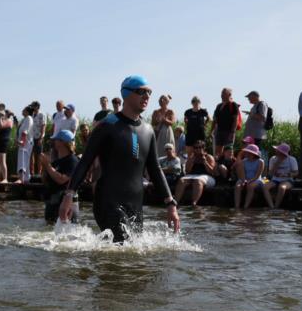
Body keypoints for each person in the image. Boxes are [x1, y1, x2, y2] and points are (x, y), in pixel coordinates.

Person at [59, 75, 179, 242]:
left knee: (133, 252)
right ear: (126, 94)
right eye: (141, 92)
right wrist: (69, 196)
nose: (147, 96)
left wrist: (170, 204)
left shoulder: (148, 130)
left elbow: (155, 169)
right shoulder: (107, 126)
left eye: (149, 92)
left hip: (135, 204)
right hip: (108, 201)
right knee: (123, 245)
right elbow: (85, 162)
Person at [38, 130, 79, 223]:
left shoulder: (72, 160)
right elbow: (45, 181)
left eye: (56, 140)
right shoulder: (56, 162)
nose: (53, 142)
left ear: (62, 142)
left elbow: (62, 179)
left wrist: (48, 165)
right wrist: (44, 166)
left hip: (65, 206)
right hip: (52, 203)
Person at [174, 140, 216, 207]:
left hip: (206, 176)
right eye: (196, 148)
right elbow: (187, 171)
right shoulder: (191, 157)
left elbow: (212, 172)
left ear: (203, 148)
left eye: (200, 147)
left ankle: (194, 203)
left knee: (198, 181)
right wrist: (192, 161)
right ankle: (175, 202)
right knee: (182, 180)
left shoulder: (209, 157)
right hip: (192, 175)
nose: (198, 149)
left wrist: (205, 162)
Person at [264, 143, 299, 208]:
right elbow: (270, 173)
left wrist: (288, 174)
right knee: (265, 187)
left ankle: (276, 207)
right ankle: (271, 206)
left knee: (282, 187)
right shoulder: (273, 159)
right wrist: (277, 163)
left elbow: (296, 173)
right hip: (275, 179)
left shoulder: (292, 159)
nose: (276, 151)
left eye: (278, 151)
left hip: (288, 180)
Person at [233, 143, 265, 209]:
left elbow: (257, 175)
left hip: (256, 180)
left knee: (250, 186)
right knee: (237, 186)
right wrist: (243, 181)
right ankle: (237, 206)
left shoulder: (260, 162)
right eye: (246, 152)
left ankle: (246, 206)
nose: (246, 154)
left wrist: (250, 181)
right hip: (245, 178)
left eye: (248, 152)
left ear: (253, 154)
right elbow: (242, 174)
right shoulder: (243, 161)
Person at [210, 88, 240, 153]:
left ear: (229, 94)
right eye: (222, 93)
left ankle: (227, 160)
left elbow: (235, 119)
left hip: (229, 132)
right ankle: (219, 160)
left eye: (224, 93)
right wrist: (211, 131)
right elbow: (215, 119)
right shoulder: (219, 106)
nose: (222, 95)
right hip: (219, 131)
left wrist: (232, 132)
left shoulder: (233, 105)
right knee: (218, 151)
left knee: (228, 150)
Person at [16, 105, 34, 183]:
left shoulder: (29, 118)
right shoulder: (25, 119)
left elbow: (25, 131)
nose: (22, 111)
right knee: (25, 159)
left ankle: (21, 178)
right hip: (24, 142)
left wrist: (22, 141)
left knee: (22, 159)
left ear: (27, 111)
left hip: (25, 143)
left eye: (24, 110)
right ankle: (26, 178)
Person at [29, 101, 46, 177]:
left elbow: (43, 126)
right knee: (31, 154)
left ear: (37, 107)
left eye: (33, 106)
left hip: (38, 137)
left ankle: (39, 173)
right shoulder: (31, 114)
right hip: (31, 137)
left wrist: (41, 137)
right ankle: (31, 172)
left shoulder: (41, 114)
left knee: (39, 155)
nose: (32, 107)